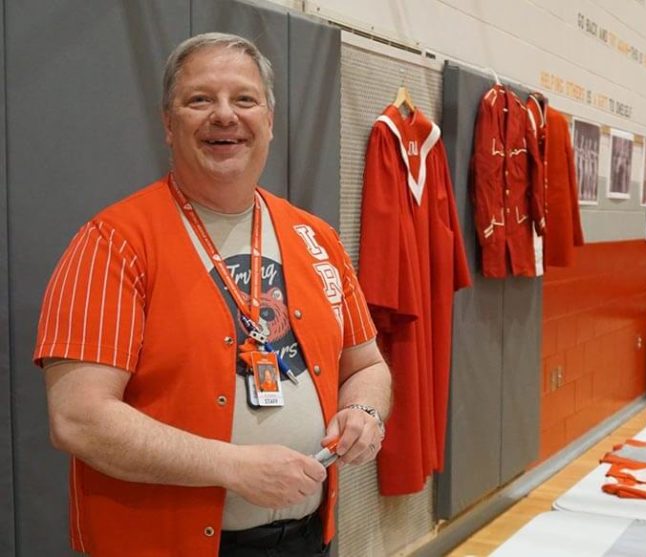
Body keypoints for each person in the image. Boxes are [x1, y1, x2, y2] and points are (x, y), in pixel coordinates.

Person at [33, 32, 391, 557]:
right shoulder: (113, 243)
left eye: (244, 99)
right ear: (168, 123)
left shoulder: (316, 238)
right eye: (200, 99)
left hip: (306, 539)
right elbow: (78, 419)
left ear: (269, 119)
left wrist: (365, 411)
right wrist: (232, 467)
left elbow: (367, 364)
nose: (225, 115)